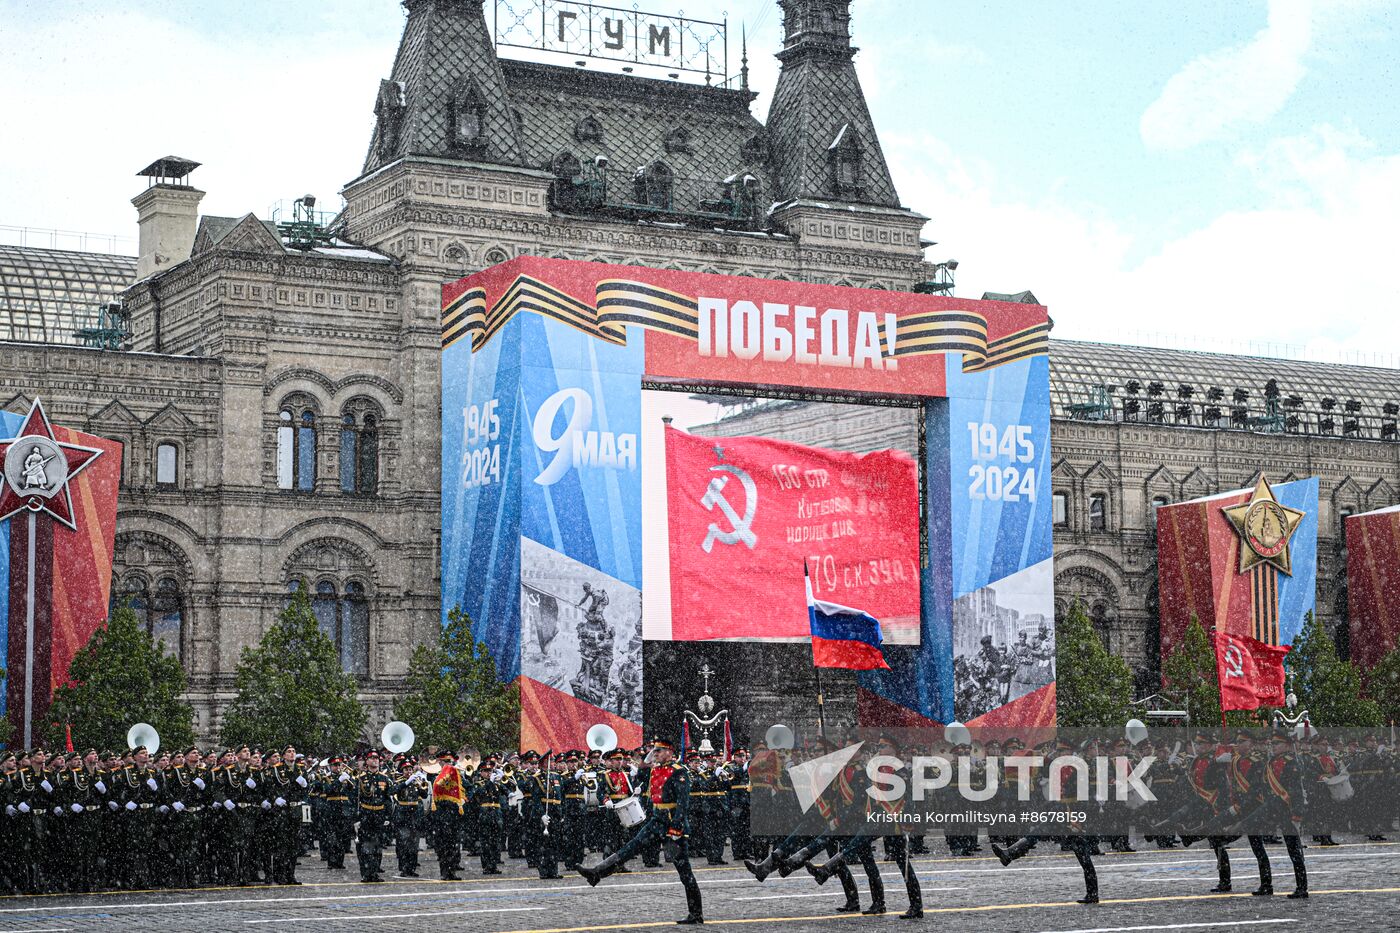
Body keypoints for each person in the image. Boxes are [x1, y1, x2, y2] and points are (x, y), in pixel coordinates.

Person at [578, 737, 703, 925]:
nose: (656, 754)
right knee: (630, 847)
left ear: (669, 752)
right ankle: (597, 872)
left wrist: (676, 828)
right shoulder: (656, 769)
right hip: (657, 820)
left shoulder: (679, 772)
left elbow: (683, 804)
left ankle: (696, 914)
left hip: (672, 824)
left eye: (659, 751)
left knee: (684, 870)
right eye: (655, 751)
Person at [429, 750, 468, 881]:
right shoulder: (437, 775)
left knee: (453, 844)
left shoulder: (456, 774)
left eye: (450, 762)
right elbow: (438, 786)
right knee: (444, 845)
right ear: (439, 762)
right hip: (442, 814)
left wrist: (464, 799)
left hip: (453, 814)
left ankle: (452, 871)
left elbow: (467, 788)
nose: (448, 764)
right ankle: (445, 872)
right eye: (445, 762)